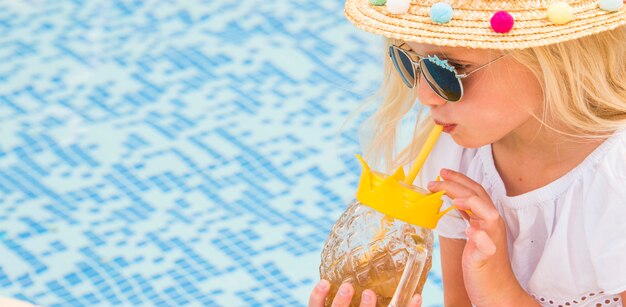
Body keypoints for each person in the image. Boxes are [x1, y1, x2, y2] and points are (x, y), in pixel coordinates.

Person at [308, 0, 626, 305]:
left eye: (449, 70)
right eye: (409, 62)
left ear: (551, 55)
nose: (425, 96)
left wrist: (501, 293)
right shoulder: (455, 156)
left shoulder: (615, 179)